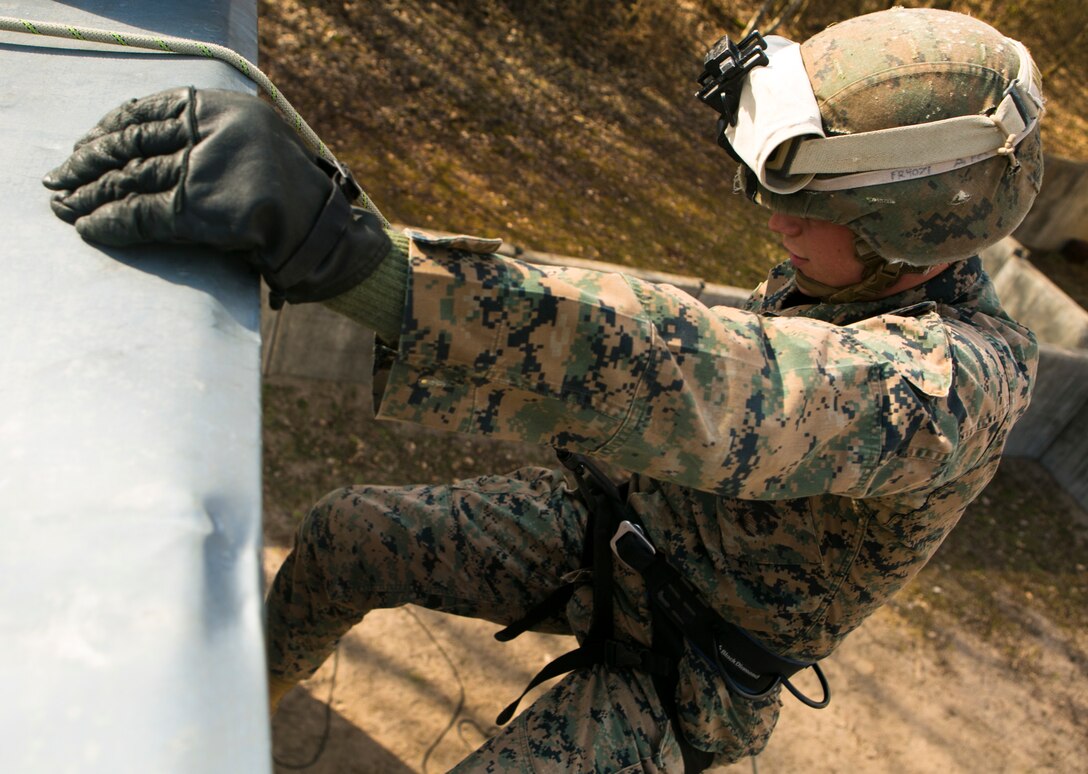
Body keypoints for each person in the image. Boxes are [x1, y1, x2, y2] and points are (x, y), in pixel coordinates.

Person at [42, 7, 1044, 771]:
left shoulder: (956, 385)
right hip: (608, 530)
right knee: (351, 534)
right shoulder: (852, 268)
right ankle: (224, 725)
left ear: (911, 234)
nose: (772, 223)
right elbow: (685, 341)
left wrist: (378, 273)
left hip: (690, 668)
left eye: (804, 205)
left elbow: (727, 387)